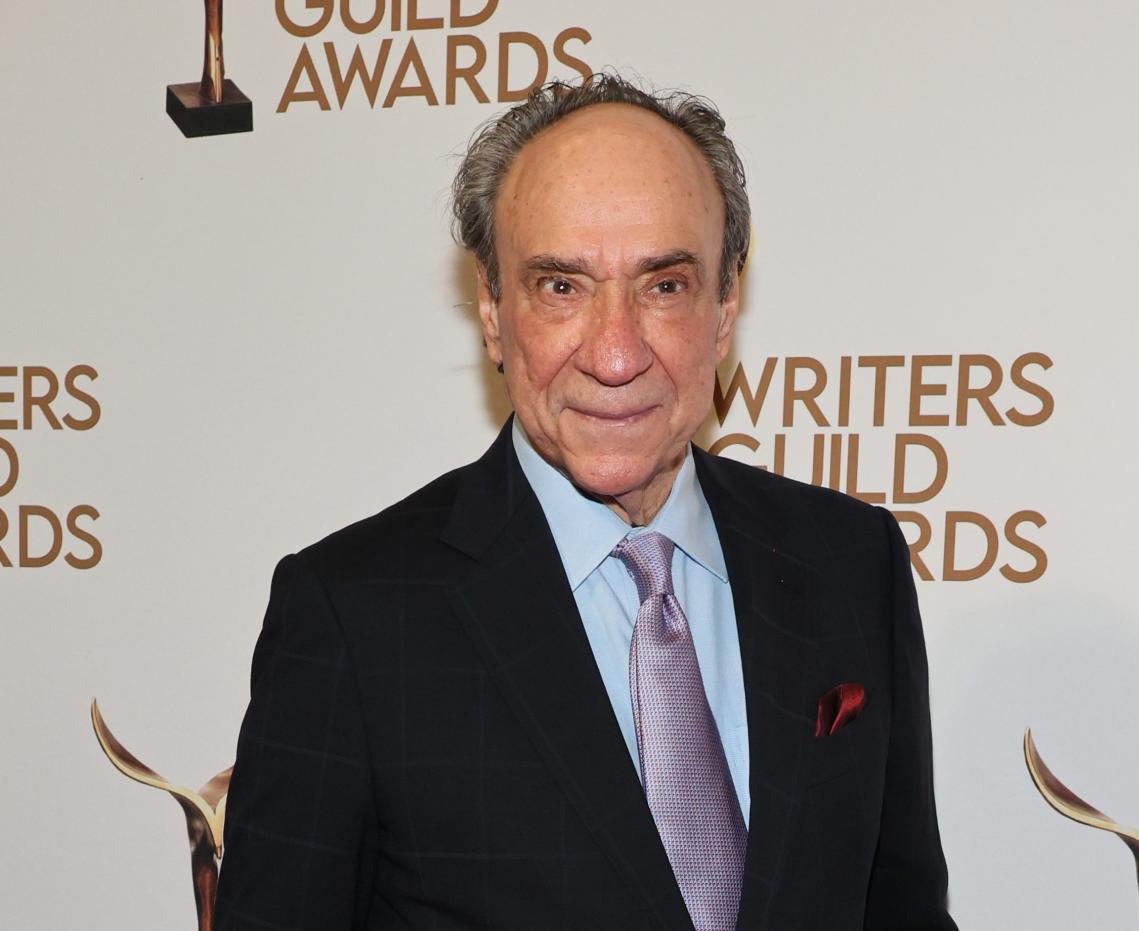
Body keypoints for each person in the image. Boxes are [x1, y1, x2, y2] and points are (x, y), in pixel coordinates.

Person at [214, 74, 957, 931]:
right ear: (493, 313)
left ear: (724, 309)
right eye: (560, 286)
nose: (613, 353)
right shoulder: (354, 616)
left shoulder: (848, 561)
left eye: (663, 285)